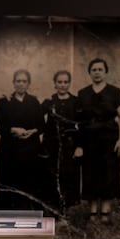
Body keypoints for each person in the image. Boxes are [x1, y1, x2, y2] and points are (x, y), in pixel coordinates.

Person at [77, 57, 120, 222]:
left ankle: (105, 211)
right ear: (89, 73)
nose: (97, 73)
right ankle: (92, 210)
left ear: (106, 72)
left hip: (109, 139)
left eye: (100, 70)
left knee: (108, 173)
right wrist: (79, 144)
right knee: (90, 173)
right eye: (94, 70)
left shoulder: (115, 92)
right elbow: (79, 121)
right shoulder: (82, 93)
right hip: (89, 139)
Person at [0, 69, 45, 210]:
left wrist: (32, 131)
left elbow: (41, 125)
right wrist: (13, 130)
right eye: (18, 81)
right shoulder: (6, 102)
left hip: (30, 147)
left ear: (28, 83)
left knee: (30, 180)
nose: (21, 84)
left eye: (24, 81)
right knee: (10, 180)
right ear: (13, 83)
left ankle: (29, 214)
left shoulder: (34, 101)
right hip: (9, 149)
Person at [41, 70, 81, 211]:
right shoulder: (49, 102)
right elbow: (38, 121)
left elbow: (81, 125)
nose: (63, 85)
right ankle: (54, 209)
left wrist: (79, 146)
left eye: (66, 82)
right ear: (55, 84)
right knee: (53, 176)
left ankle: (69, 210)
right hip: (52, 146)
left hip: (70, 146)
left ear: (69, 83)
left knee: (70, 176)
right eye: (60, 82)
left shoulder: (76, 102)